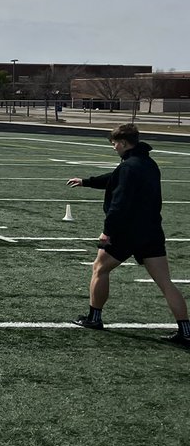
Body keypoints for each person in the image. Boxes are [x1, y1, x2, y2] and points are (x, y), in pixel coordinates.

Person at [66, 123, 188, 345]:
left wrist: (107, 232)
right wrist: (86, 182)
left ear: (123, 143)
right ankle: (186, 330)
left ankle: (94, 318)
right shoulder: (148, 164)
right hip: (152, 231)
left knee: (99, 269)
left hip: (126, 233)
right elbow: (115, 178)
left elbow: (119, 205)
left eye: (114, 144)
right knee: (166, 283)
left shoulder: (129, 167)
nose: (114, 148)